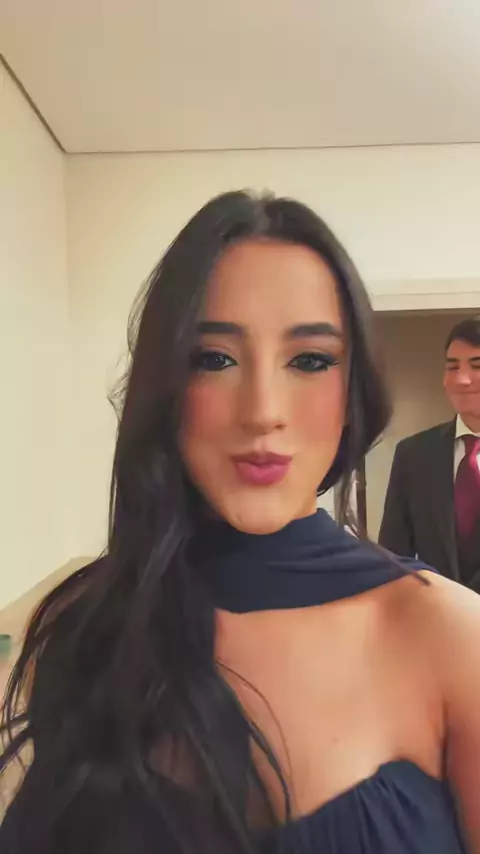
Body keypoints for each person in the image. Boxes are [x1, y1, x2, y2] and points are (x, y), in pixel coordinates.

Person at [1, 191, 479, 854]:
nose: (262, 410)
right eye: (214, 358)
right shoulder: (84, 622)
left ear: (353, 391)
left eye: (309, 361)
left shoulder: (452, 636)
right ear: (165, 385)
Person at [379, 316, 480, 590]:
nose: (462, 379)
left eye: (477, 365)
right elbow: (393, 558)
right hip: (436, 611)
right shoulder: (413, 455)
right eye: (452, 366)